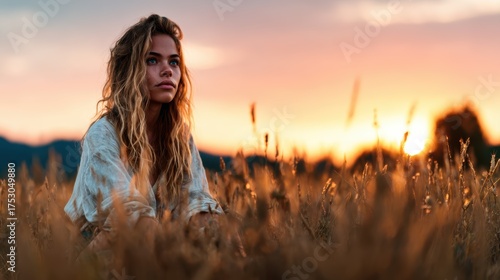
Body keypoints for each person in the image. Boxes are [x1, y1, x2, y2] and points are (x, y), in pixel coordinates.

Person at [64, 14, 224, 256]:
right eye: (152, 60)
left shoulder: (179, 136)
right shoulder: (104, 134)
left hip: (150, 250)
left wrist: (223, 242)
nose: (167, 71)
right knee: (136, 226)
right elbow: (129, 217)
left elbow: (197, 201)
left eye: (174, 62)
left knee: (214, 223)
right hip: (93, 252)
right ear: (130, 71)